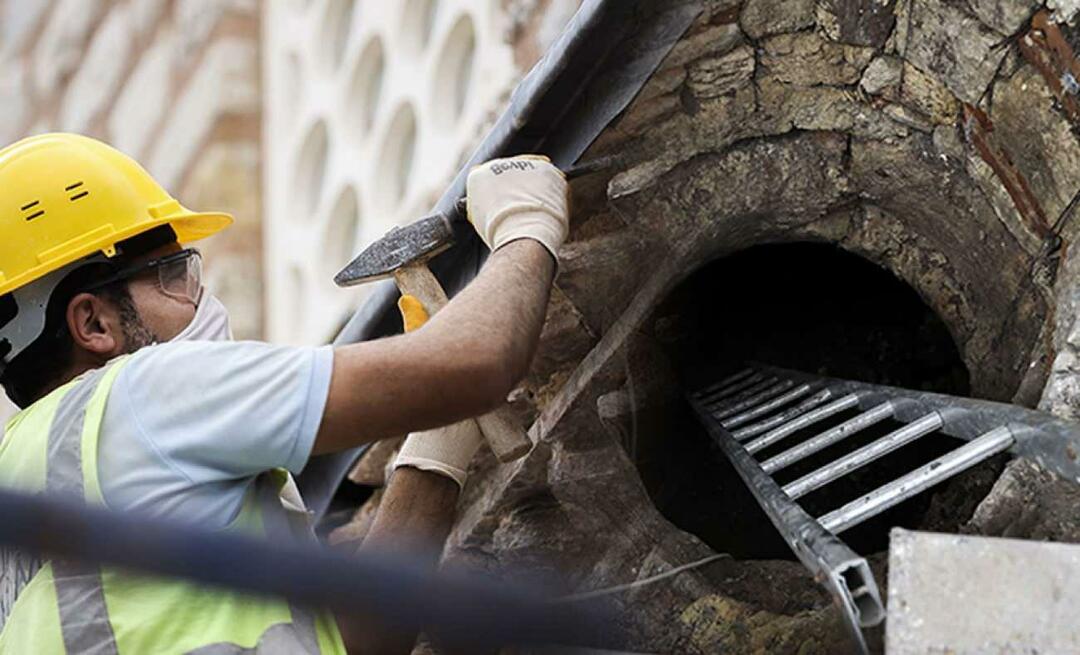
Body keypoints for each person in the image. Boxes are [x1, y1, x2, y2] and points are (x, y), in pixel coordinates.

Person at [0, 134, 569, 654]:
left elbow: (355, 641)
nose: (199, 300)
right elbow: (477, 363)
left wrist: (435, 445)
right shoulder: (143, 392)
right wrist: (527, 221)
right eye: (174, 275)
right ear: (93, 324)